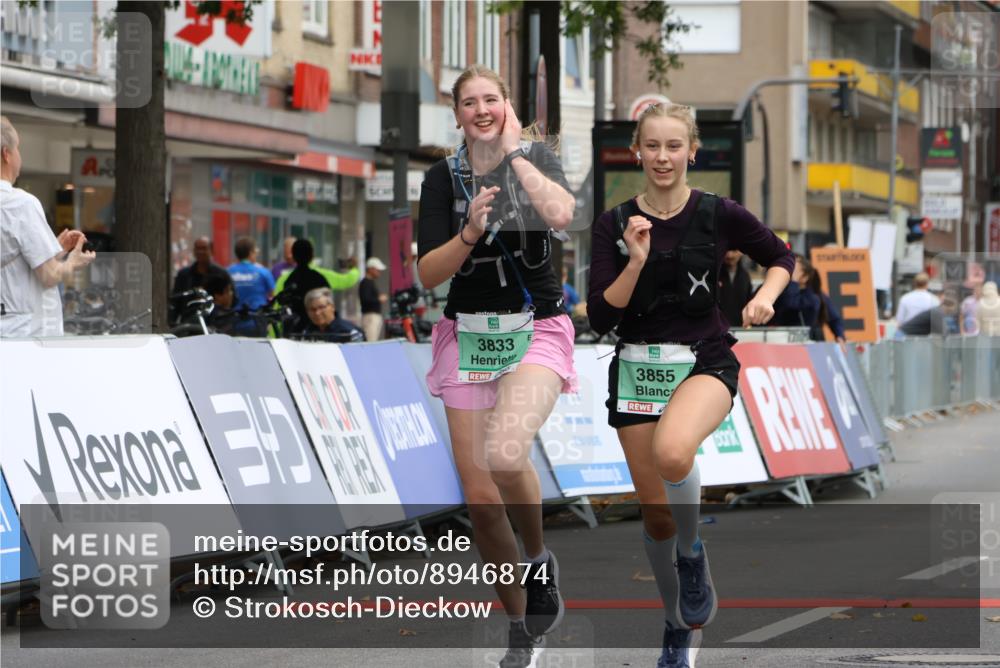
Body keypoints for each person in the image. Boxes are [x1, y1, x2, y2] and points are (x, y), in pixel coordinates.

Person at [587, 102, 792, 667]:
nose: (662, 156)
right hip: (635, 366)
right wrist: (634, 259)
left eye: (673, 146)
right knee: (654, 516)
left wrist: (764, 297)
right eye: (651, 146)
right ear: (637, 151)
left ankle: (693, 551)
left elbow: (779, 257)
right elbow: (601, 317)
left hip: (704, 359)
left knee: (674, 452)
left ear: (691, 151)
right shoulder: (613, 223)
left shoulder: (718, 212)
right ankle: (679, 624)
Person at [417, 65, 576, 667]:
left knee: (507, 454)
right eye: (469, 103)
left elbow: (561, 215)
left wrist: (516, 156)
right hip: (468, 333)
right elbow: (428, 273)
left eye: (491, 99)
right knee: (481, 500)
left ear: (507, 106)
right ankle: (521, 628)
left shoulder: (535, 157)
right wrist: (467, 233)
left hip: (535, 326)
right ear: (455, 114)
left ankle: (538, 562)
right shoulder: (440, 177)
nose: (481, 109)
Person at [1, 115, 95, 337]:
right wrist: (73, 261)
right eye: (18, 149)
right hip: (26, 336)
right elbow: (50, 275)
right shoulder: (21, 204)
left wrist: (53, 247)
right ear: (6, 154)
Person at [274, 238, 360, 333]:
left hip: (294, 332)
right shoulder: (322, 276)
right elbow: (347, 280)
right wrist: (354, 268)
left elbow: (278, 307)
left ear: (293, 256)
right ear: (312, 256)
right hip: (321, 332)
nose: (316, 313)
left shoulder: (284, 280)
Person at [171, 236, 228, 323]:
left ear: (211, 251)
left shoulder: (222, 274)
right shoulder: (184, 274)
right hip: (188, 325)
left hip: (215, 325)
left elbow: (231, 300)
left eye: (204, 248)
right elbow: (175, 301)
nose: (200, 252)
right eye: (197, 248)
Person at [770, 254, 821, 330]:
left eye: (793, 270)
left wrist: (794, 280)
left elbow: (791, 305)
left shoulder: (812, 299)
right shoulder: (782, 292)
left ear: (805, 277)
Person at [802, 260, 846, 342]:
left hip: (814, 340)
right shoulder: (787, 291)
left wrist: (839, 335)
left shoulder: (817, 295)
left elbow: (834, 318)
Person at [300, 287, 364, 342]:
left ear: (332, 307)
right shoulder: (306, 332)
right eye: (312, 309)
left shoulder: (349, 332)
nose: (317, 313)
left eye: (321, 307)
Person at [228, 237, 274, 311]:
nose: (258, 252)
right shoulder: (263, 272)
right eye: (255, 250)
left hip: (234, 318)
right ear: (251, 253)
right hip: (257, 318)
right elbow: (272, 295)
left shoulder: (228, 272)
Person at [717, 249, 753, 328]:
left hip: (740, 330)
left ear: (741, 252)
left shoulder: (745, 276)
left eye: (734, 251)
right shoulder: (714, 275)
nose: (730, 255)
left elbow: (748, 302)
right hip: (717, 330)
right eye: (727, 250)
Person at [359, 256, 388, 341]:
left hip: (373, 316)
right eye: (377, 270)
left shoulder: (369, 282)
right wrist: (379, 299)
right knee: (370, 341)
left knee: (373, 340)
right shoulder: (365, 283)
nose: (379, 272)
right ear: (371, 269)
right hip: (370, 316)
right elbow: (365, 299)